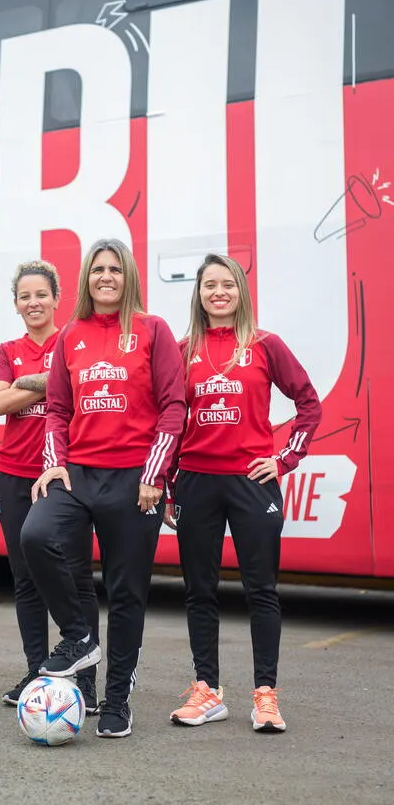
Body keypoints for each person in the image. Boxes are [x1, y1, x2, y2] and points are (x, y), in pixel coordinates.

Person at [20, 238, 185, 738]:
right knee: (35, 536)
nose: (106, 277)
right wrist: (54, 464)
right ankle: (79, 636)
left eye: (115, 269)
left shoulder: (153, 331)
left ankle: (116, 701)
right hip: (79, 476)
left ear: (128, 276)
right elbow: (57, 410)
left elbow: (174, 407)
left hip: (135, 480)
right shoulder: (71, 334)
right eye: (97, 270)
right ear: (87, 279)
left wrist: (155, 476)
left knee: (126, 592)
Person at [167, 254, 322, 732]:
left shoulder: (264, 344)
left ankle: (265, 695)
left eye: (227, 284)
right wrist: (169, 482)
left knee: (261, 591)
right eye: (209, 284)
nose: (218, 292)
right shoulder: (182, 348)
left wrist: (283, 460)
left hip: (253, 482)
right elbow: (168, 420)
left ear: (240, 291)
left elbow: (308, 404)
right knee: (199, 591)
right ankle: (207, 691)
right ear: (198, 293)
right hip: (195, 481)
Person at [0, 260, 100, 713]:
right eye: (24, 296)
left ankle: (86, 681)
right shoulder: (7, 348)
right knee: (25, 579)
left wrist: (28, 382)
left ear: (57, 299)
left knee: (75, 578)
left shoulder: (74, 339)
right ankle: (38, 674)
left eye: (41, 295)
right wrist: (49, 384)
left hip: (64, 475)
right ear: (16, 304)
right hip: (13, 474)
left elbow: (75, 385)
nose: (33, 303)